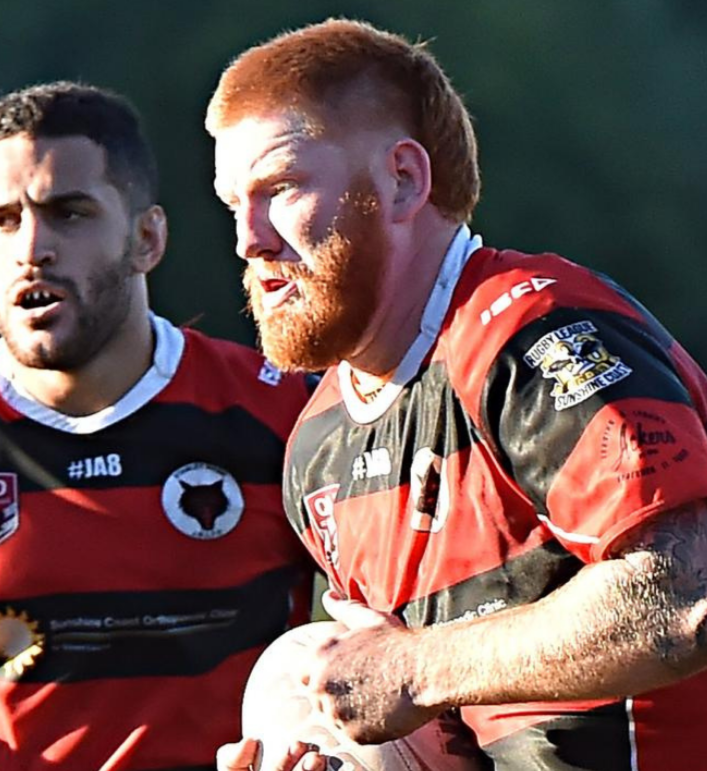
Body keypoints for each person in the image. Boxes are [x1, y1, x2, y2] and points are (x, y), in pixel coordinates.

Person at [205, 18, 707, 771]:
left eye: (280, 188)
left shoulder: (534, 337)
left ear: (403, 180)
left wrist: (415, 668)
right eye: (231, 203)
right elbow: (435, 723)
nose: (249, 239)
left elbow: (685, 595)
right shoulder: (319, 444)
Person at [0, 80, 317, 771]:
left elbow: (378, 639)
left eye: (68, 213)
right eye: (2, 221)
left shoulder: (281, 415)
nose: (32, 248)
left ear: (147, 238)